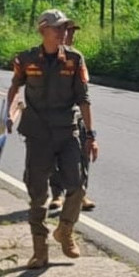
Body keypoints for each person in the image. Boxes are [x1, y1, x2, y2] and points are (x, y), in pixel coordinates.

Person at [6, 9, 99, 269]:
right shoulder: (25, 59)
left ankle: (65, 230)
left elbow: (84, 99)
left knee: (78, 185)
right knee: (37, 194)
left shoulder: (74, 58)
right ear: (42, 29)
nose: (62, 32)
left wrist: (91, 135)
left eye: (64, 28)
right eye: (57, 28)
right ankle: (40, 250)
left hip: (67, 131)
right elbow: (15, 87)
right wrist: (9, 114)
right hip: (37, 135)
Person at [49, 22, 96, 211]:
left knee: (82, 155)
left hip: (76, 115)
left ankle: (81, 193)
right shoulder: (46, 58)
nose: (70, 36)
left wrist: (90, 127)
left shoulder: (76, 58)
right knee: (54, 156)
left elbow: (84, 93)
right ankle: (57, 194)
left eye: (71, 33)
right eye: (66, 32)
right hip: (53, 118)